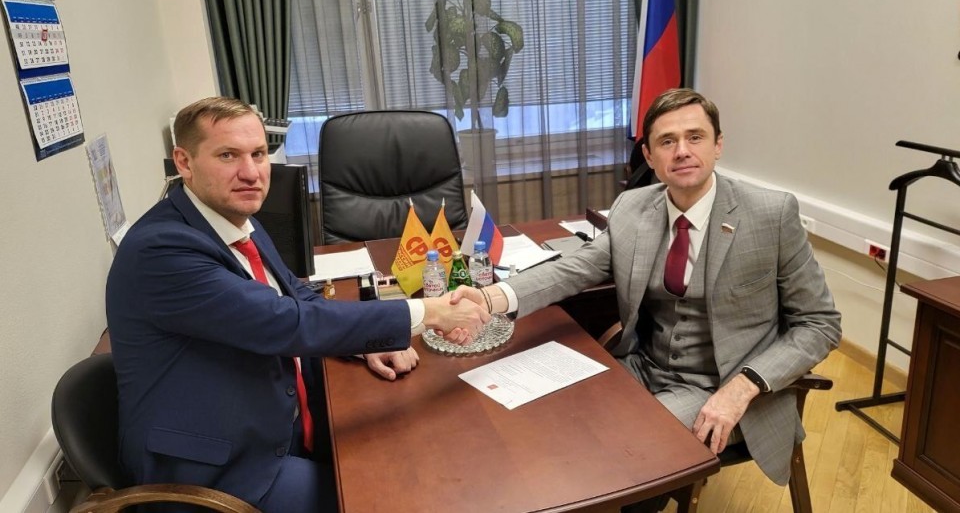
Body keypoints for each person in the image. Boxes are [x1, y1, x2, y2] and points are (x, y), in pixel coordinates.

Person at [106, 97, 489, 512]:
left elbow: (297, 294)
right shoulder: (162, 249)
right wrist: (430, 312)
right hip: (220, 468)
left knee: (423, 445)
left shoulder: (234, 219)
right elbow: (283, 321)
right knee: (393, 497)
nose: (251, 173)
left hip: (273, 417)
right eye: (228, 155)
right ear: (184, 162)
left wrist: (365, 343)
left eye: (258, 154)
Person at [456, 88, 841, 495]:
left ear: (718, 145)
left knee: (620, 453)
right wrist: (489, 299)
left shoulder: (770, 214)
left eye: (695, 137)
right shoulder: (632, 208)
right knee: (559, 421)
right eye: (667, 141)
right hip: (643, 365)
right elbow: (574, 268)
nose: (682, 151)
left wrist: (743, 387)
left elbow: (820, 324)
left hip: (723, 385)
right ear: (650, 157)